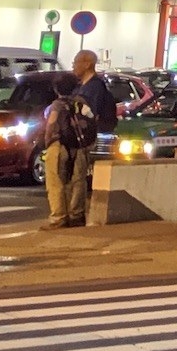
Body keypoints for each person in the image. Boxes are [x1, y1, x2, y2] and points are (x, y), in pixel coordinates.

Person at [41, 53, 114, 228]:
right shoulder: (83, 94)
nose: (73, 66)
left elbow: (52, 124)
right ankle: (76, 214)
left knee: (58, 179)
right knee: (77, 179)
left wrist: (48, 141)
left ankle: (60, 216)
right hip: (80, 142)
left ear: (88, 64)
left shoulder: (91, 89)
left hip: (67, 142)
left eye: (76, 62)